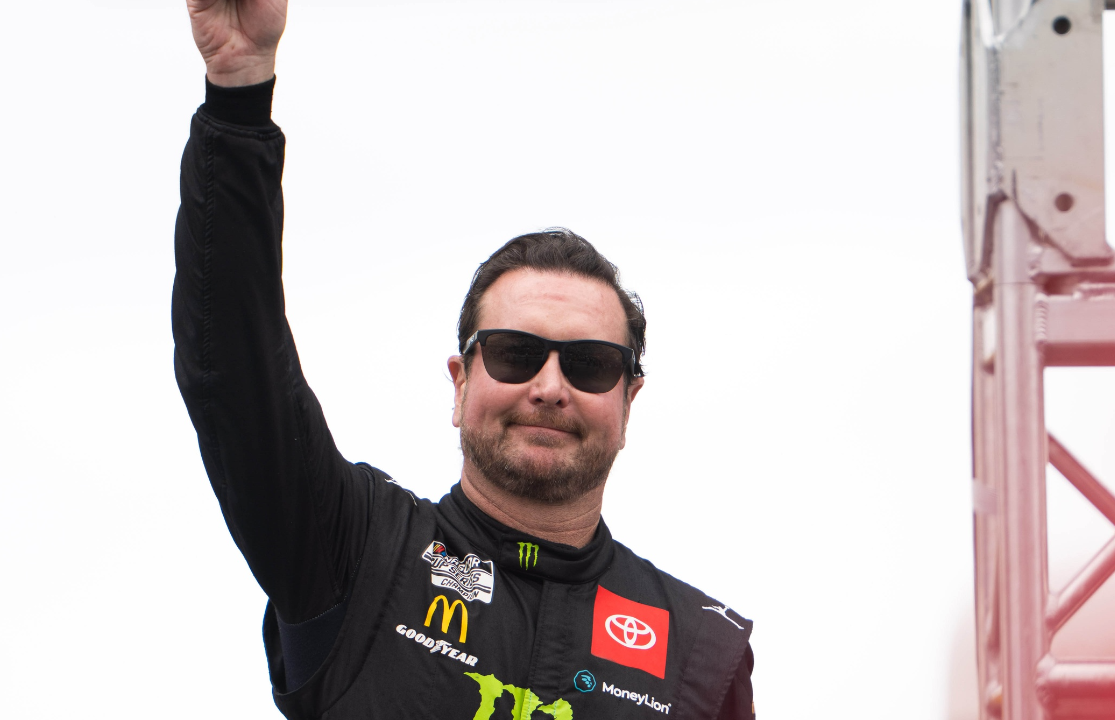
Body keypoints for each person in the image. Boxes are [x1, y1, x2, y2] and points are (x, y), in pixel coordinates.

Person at [172, 1, 754, 717]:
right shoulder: (355, 548)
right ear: (460, 380)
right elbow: (236, 372)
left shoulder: (699, 648)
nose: (549, 386)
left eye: (590, 365)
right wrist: (238, 95)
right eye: (515, 354)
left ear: (629, 401)